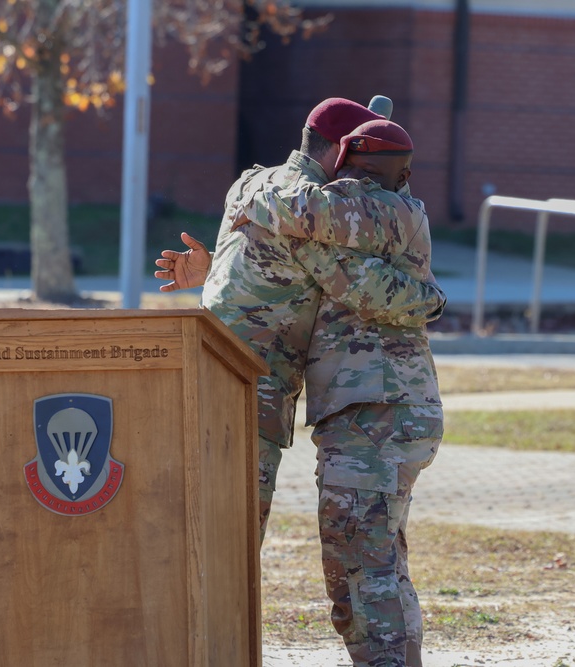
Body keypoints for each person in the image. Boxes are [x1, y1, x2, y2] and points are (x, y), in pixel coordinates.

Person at [157, 117, 442, 667]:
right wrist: (225, 268)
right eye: (348, 169)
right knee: (359, 563)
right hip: (345, 409)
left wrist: (253, 224)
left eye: (361, 172)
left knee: (362, 564)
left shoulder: (377, 209)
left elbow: (352, 270)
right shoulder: (308, 203)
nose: (349, 183)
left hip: (378, 409)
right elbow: (307, 254)